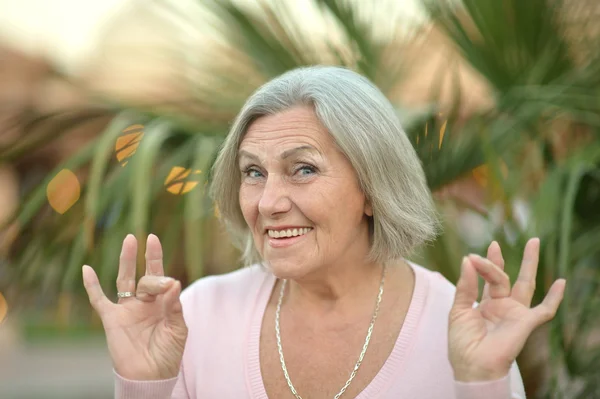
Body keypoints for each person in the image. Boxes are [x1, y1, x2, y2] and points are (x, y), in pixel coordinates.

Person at [82, 66, 566, 399]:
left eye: (303, 170)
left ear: (373, 190)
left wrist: (482, 382)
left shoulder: (460, 332)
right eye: (253, 173)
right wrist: (145, 385)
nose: (268, 202)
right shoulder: (197, 318)